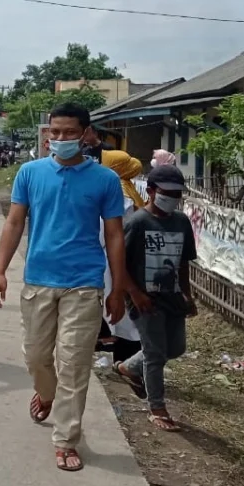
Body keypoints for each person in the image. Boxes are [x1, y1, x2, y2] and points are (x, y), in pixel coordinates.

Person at [0, 103, 131, 473]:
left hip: (84, 284)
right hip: (38, 280)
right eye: (55, 132)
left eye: (69, 132)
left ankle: (66, 439)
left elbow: (115, 235)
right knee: (36, 356)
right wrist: (0, 271)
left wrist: (117, 288)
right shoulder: (30, 173)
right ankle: (47, 392)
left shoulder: (105, 180)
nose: (61, 139)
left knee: (74, 364)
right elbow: (14, 222)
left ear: (85, 134)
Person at [113, 165, 197, 432]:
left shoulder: (181, 222)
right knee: (155, 354)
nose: (172, 198)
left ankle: (127, 368)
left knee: (175, 348)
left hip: (172, 295)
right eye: (166, 192)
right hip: (144, 298)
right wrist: (134, 294)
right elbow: (119, 263)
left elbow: (183, 262)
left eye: (177, 194)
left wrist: (187, 292)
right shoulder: (137, 223)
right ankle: (157, 407)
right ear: (150, 191)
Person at [97, 150, 146, 360]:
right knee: (120, 311)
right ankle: (123, 356)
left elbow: (112, 230)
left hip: (115, 255)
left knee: (120, 308)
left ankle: (123, 357)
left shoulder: (119, 191)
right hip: (120, 255)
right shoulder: (126, 190)